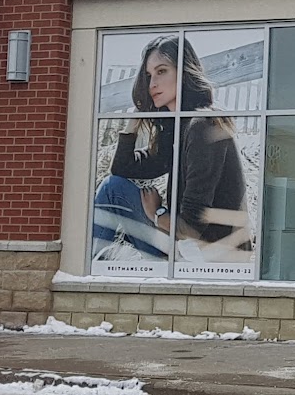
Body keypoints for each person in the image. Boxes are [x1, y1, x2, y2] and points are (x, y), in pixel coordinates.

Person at [92, 35, 248, 259]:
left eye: (162, 71)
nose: (152, 84)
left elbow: (193, 226)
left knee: (111, 189)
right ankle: (96, 266)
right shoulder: (178, 129)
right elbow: (122, 168)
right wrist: (134, 122)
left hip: (208, 258)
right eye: (148, 75)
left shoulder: (203, 125)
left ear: (184, 72)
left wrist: (158, 214)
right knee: (113, 186)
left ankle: (92, 268)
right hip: (186, 248)